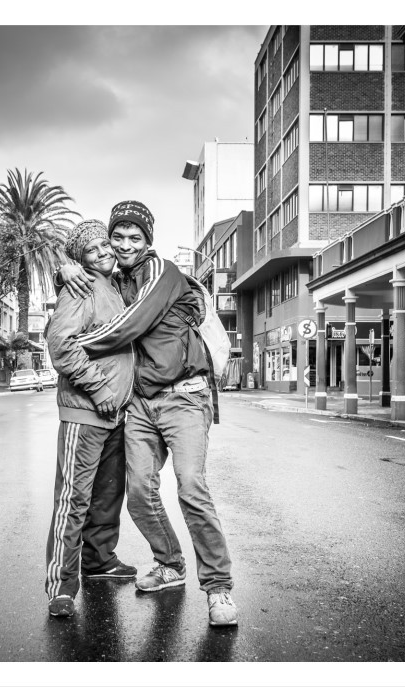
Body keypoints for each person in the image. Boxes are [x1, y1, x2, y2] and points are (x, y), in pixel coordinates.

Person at [59, 200, 238, 626]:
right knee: (139, 491)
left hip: (184, 397)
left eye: (134, 237)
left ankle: (218, 588)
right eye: (117, 237)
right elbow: (86, 282)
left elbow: (129, 326)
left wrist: (71, 345)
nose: (124, 245)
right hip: (139, 404)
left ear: (148, 240)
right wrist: (64, 268)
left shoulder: (162, 272)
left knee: (191, 486)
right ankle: (170, 563)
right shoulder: (113, 279)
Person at [43, 219, 137, 619]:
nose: (102, 253)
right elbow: (61, 345)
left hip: (117, 413)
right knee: (73, 498)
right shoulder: (80, 287)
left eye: (104, 245)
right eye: (91, 250)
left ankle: (99, 561)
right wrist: (98, 390)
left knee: (107, 496)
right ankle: (61, 586)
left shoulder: (116, 287)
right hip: (86, 411)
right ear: (79, 259)